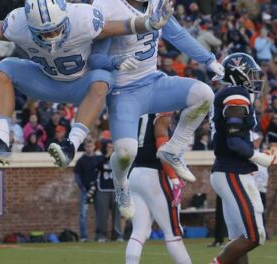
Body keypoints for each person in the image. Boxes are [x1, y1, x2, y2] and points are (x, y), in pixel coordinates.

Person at [0, 0, 175, 166]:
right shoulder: (18, 23)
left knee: (103, 78)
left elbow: (123, 26)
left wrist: (149, 22)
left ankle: (70, 146)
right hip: (47, 80)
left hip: (82, 84)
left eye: (55, 29)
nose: (51, 36)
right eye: (43, 32)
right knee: (3, 68)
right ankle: (1, 142)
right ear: (30, 25)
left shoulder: (83, 18)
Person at [89, 0, 224, 218]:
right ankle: (121, 183)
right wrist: (115, 61)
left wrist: (208, 60)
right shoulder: (109, 6)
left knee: (204, 94)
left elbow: (177, 35)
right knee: (125, 153)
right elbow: (94, 58)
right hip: (124, 92)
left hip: (153, 82)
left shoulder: (156, 4)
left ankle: (173, 149)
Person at [209, 53, 276, 264]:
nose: (254, 78)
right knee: (255, 235)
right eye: (250, 73)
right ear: (239, 74)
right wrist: (259, 157)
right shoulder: (236, 94)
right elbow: (235, 143)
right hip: (233, 171)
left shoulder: (230, 93)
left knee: (239, 239)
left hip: (227, 170)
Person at [126, 113, 190, 264]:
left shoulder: (139, 113)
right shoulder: (161, 111)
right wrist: (174, 178)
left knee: (138, 232)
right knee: (173, 233)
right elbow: (163, 149)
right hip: (156, 174)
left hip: (136, 173)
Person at [94, 140, 123, 242]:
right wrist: (107, 156)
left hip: (116, 190)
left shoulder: (117, 159)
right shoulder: (99, 157)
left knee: (117, 215)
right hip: (102, 189)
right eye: (108, 147)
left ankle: (118, 235)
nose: (110, 149)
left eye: (112, 147)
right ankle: (101, 235)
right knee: (102, 215)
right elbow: (96, 166)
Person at [74, 139, 99, 242]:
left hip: (98, 190)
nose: (89, 148)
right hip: (85, 191)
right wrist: (83, 189)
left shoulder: (98, 159)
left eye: (91, 146)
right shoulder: (81, 160)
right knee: (83, 214)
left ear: (94, 146)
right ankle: (84, 237)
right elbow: (77, 177)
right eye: (87, 146)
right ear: (85, 147)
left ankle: (100, 236)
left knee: (100, 214)